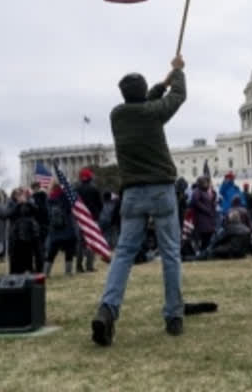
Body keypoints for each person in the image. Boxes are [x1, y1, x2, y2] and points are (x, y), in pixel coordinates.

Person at [92, 54, 187, 346]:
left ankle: (107, 309)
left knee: (123, 255)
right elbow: (179, 97)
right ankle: (173, 315)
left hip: (131, 193)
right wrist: (178, 73)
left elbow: (148, 101)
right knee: (170, 252)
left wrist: (162, 83)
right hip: (160, 190)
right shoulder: (153, 114)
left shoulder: (117, 116)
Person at [44, 182, 78, 276]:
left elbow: (48, 214)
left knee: (52, 252)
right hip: (67, 228)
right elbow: (72, 204)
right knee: (69, 250)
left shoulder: (49, 199)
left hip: (55, 229)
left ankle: (46, 272)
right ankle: (68, 271)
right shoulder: (65, 197)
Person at [74, 167, 102, 273]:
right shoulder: (94, 189)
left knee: (80, 243)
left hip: (80, 218)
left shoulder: (76, 189)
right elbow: (100, 204)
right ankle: (89, 266)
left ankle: (78, 266)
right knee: (91, 242)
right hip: (92, 218)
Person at [8, 202, 43, 273]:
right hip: (29, 241)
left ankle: (20, 269)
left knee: (22, 254)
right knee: (32, 254)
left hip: (20, 242)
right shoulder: (33, 222)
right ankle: (34, 269)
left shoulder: (17, 222)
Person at [191, 176, 218, 249]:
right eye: (205, 182)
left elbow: (211, 201)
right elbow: (195, 201)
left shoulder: (205, 191)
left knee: (208, 236)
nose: (207, 184)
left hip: (208, 218)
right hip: (202, 218)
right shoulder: (197, 191)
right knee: (204, 237)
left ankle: (205, 251)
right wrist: (205, 209)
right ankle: (203, 251)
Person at [30, 181, 50, 261]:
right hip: (43, 222)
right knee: (42, 243)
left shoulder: (35, 198)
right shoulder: (44, 197)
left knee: (39, 243)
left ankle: (40, 257)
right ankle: (42, 257)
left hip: (38, 223)